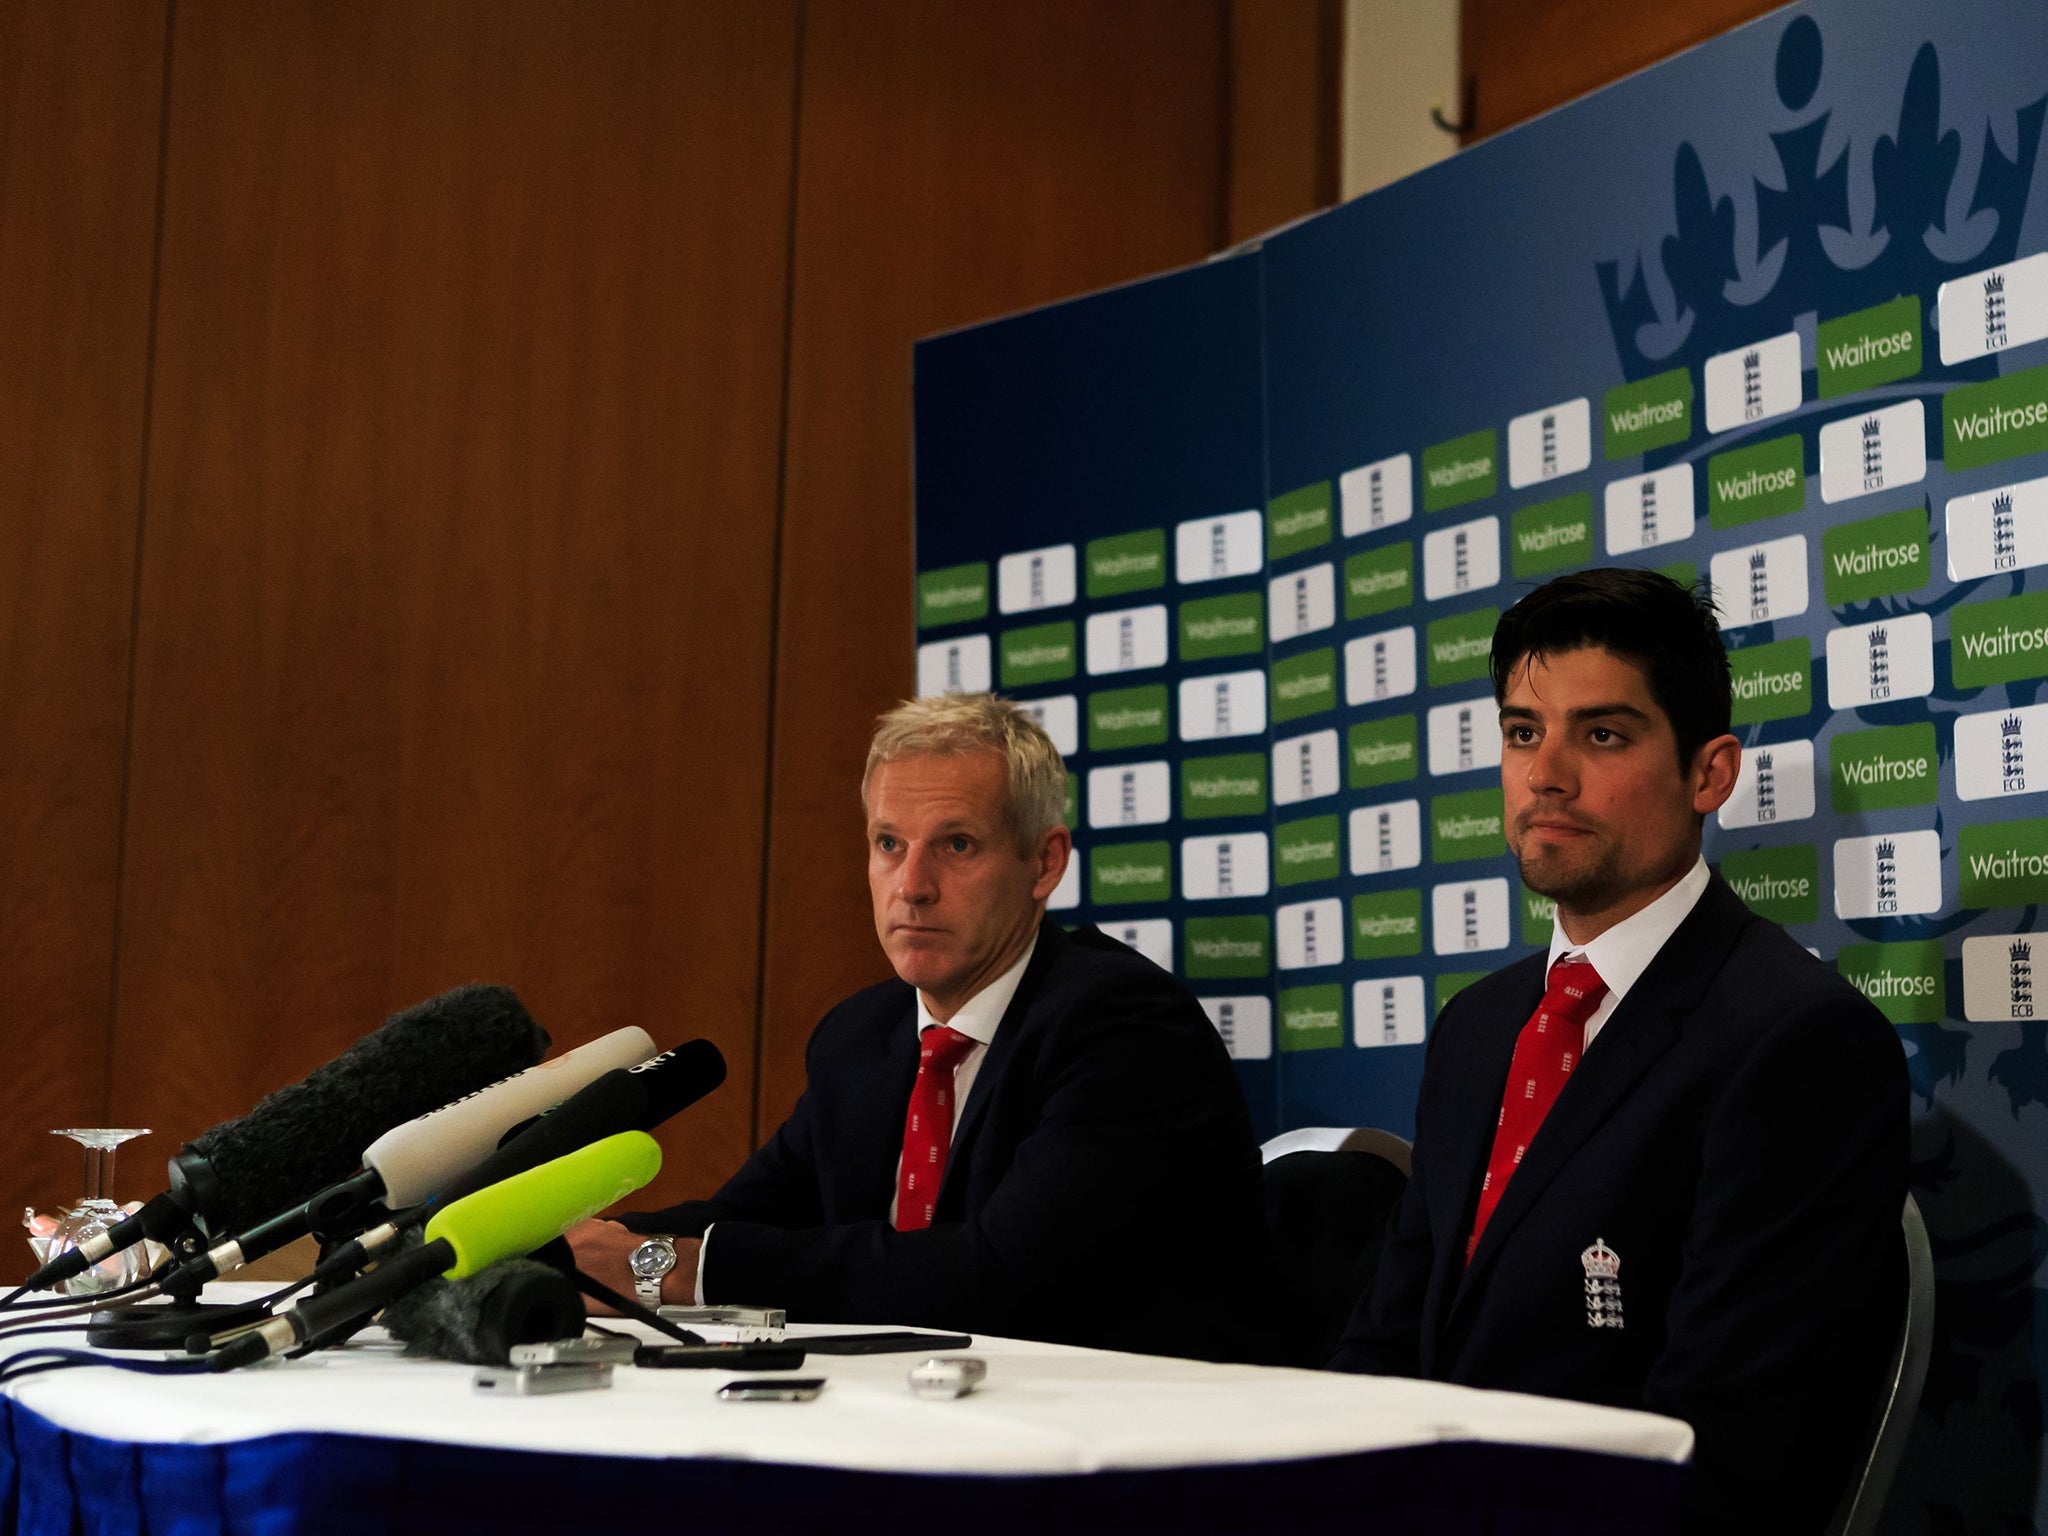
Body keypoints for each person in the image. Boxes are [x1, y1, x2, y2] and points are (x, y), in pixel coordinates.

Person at [1330, 568, 1908, 1533]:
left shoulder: (1798, 1041)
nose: (1546, 773)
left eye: (1602, 734)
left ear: (1709, 773)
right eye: (1523, 732)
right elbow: (1389, 1340)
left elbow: (1726, 1450)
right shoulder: (1478, 1026)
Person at [569, 692, 1266, 1359]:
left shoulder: (1125, 1027)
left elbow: (1000, 1277)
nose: (912, 884)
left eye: (956, 845)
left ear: (1044, 863)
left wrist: (663, 1268)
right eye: (889, 844)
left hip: (1136, 1440)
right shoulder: (861, 1037)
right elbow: (752, 1216)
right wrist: (553, 1249)